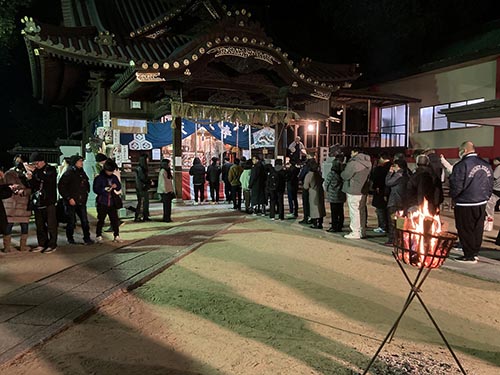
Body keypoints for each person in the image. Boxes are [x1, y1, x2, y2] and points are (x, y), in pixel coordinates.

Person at [449, 141, 493, 263]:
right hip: (481, 202)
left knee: (465, 229)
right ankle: (474, 252)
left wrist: (454, 197)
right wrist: (486, 196)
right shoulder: (486, 164)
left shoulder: (461, 165)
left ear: (464, 151)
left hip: (465, 202)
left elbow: (456, 185)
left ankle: (468, 255)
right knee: (477, 229)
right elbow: (490, 183)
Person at [26, 152, 58, 253]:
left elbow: (47, 180)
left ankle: (52, 244)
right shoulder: (37, 172)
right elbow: (34, 186)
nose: (35, 165)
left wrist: (35, 171)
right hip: (38, 202)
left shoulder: (51, 170)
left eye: (36, 163)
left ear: (42, 161)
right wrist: (30, 179)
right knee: (39, 225)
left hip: (49, 201)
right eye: (34, 164)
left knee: (51, 225)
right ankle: (42, 243)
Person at [57, 155, 93, 245]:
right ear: (75, 162)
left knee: (85, 221)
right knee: (71, 221)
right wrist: (68, 198)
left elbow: (85, 184)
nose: (82, 163)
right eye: (80, 161)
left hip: (81, 201)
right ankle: (70, 238)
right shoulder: (69, 173)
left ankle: (87, 238)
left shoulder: (82, 172)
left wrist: (86, 194)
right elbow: (61, 186)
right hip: (71, 202)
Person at [341, 148, 371, 239]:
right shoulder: (368, 163)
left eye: (352, 152)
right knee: (361, 210)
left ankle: (355, 232)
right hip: (363, 190)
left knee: (354, 211)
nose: (351, 154)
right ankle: (362, 231)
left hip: (353, 189)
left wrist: (342, 170)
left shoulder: (353, 163)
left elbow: (345, 175)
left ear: (356, 152)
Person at [2, 165, 31, 252]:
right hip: (12, 203)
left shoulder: (27, 175)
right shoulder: (9, 174)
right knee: (10, 224)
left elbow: (32, 188)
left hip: (22, 203)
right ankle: (8, 247)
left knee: (23, 225)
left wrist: (24, 191)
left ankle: (21, 246)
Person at [94, 159, 122, 243]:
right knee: (101, 219)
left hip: (112, 201)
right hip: (102, 201)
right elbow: (95, 189)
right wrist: (104, 189)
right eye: (109, 171)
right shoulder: (99, 178)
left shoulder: (114, 177)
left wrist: (115, 186)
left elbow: (119, 187)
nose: (111, 173)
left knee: (114, 220)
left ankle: (116, 235)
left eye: (112, 171)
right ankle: (98, 235)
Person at [384, 159, 410, 246]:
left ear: (397, 166)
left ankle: (393, 240)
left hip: (395, 200)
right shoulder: (407, 174)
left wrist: (390, 173)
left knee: (392, 221)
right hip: (404, 201)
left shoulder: (398, 174)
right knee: (401, 222)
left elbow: (388, 182)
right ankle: (400, 239)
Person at [370, 152, 391, 233]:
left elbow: (375, 179)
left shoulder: (380, 169)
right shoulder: (391, 167)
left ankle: (382, 226)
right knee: (386, 210)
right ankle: (387, 226)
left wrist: (375, 187)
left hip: (380, 191)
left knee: (380, 210)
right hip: (388, 192)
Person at [324, 158, 345, 233]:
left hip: (333, 195)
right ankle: (340, 225)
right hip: (341, 194)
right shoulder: (343, 173)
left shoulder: (332, 173)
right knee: (340, 211)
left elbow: (326, 183)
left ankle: (334, 226)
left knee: (334, 212)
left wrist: (326, 190)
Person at [303, 160, 326, 229]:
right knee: (320, 207)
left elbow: (305, 186)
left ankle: (315, 223)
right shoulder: (318, 174)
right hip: (320, 191)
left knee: (314, 208)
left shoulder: (309, 175)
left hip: (313, 192)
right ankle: (320, 222)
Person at [134, 154, 152, 222]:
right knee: (142, 202)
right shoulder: (140, 169)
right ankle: (138, 216)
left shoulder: (142, 168)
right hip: (141, 187)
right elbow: (143, 178)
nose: (148, 160)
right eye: (147, 159)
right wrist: (149, 181)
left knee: (145, 202)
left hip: (143, 187)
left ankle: (145, 216)